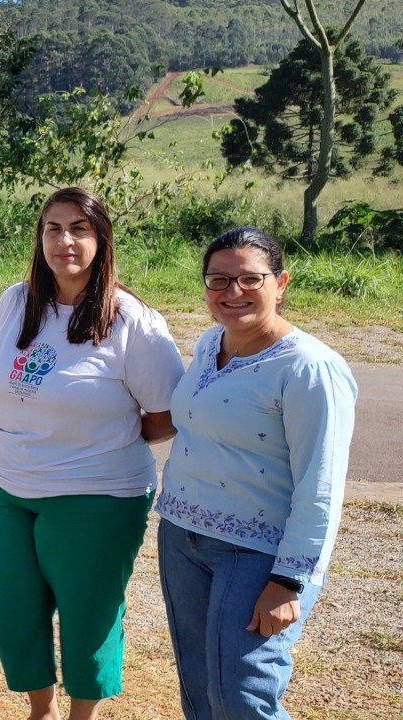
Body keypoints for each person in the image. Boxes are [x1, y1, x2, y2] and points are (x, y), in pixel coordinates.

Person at [0, 187, 185, 720]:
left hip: (98, 495)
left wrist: (100, 437)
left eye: (79, 229)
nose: (64, 240)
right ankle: (40, 711)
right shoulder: (15, 302)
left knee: (87, 616)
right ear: (39, 237)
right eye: (53, 228)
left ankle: (81, 717)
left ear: (101, 238)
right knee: (13, 611)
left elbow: (165, 414)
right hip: (11, 488)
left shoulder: (132, 320)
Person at [155, 226, 357, 720]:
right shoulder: (209, 344)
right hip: (184, 540)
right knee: (201, 688)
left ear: (281, 283)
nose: (233, 293)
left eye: (250, 279)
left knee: (243, 696)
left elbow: (321, 485)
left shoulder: (309, 368)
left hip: (258, 556)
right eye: (218, 280)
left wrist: (289, 581)